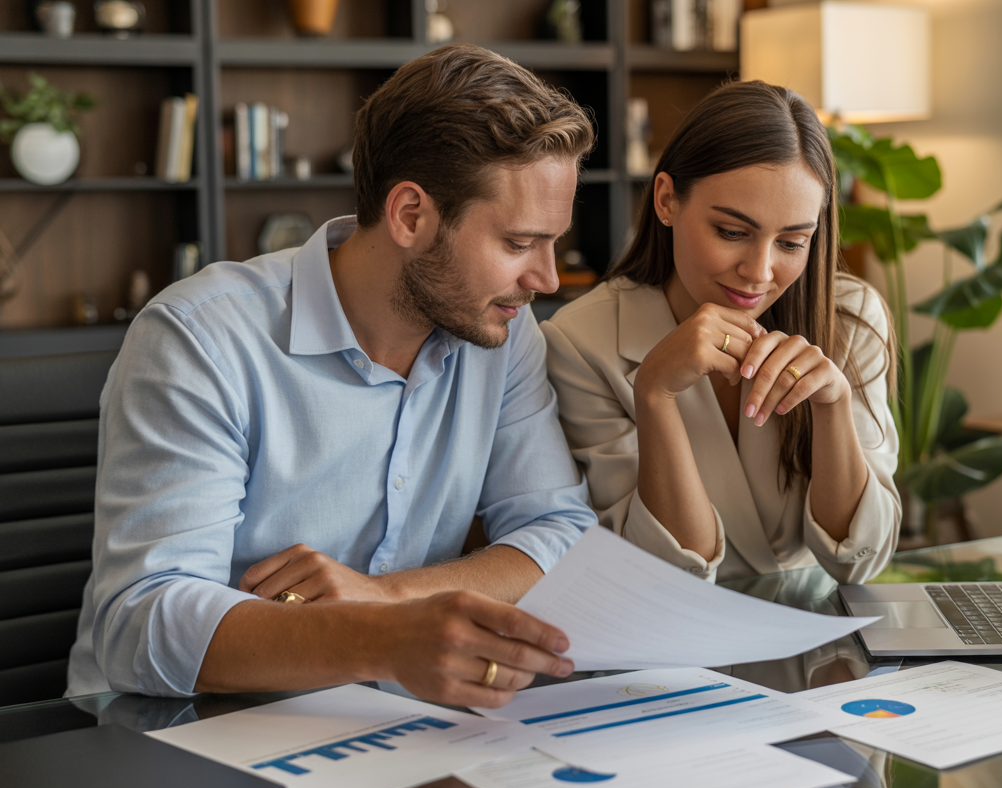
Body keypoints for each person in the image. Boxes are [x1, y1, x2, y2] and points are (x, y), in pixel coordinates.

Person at [66, 44, 599, 708]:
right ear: (410, 216)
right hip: (173, 731)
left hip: (384, 719)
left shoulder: (503, 329)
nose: (546, 280)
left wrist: (386, 599)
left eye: (553, 242)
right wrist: (379, 635)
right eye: (519, 244)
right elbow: (141, 623)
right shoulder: (200, 337)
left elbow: (560, 531)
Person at [540, 81, 900, 585]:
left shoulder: (850, 319)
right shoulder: (581, 342)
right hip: (677, 638)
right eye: (732, 233)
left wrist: (833, 404)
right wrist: (655, 391)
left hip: (818, 638)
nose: (759, 271)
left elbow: (858, 560)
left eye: (792, 242)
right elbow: (664, 574)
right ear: (666, 200)